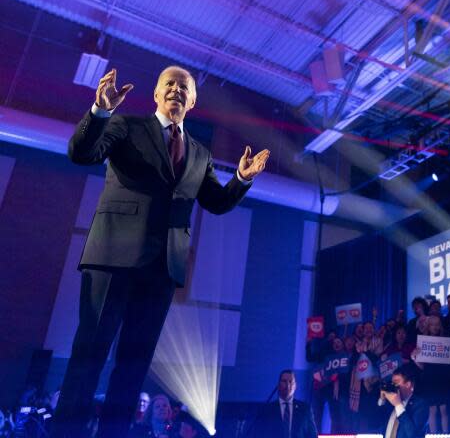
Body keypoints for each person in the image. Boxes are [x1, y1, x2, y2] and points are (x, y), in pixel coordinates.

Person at [52, 67, 270, 438]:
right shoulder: (125, 126)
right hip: (113, 258)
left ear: (193, 101)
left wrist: (242, 179)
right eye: (168, 84)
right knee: (90, 355)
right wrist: (100, 112)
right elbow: (81, 153)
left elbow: (215, 203)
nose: (175, 90)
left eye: (183, 87)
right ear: (155, 94)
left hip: (162, 270)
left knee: (133, 366)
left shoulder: (200, 154)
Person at [412, 315, 450, 434]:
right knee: (432, 409)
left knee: (444, 409)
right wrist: (414, 358)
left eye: (437, 324)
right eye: (432, 324)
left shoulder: (446, 339)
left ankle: (445, 434)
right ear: (428, 326)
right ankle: (433, 435)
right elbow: (421, 366)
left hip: (443, 378)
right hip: (429, 378)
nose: (435, 327)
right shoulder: (423, 341)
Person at [253, 370, 318, 438]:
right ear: (278, 385)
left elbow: (313, 435)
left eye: (291, 382)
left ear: (295, 386)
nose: (288, 385)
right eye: (284, 381)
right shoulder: (268, 409)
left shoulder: (304, 409)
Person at [378, 366, 428, 438]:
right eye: (392, 383)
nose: (393, 386)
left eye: (396, 382)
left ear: (408, 384)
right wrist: (382, 400)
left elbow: (413, 435)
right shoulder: (390, 403)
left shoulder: (421, 404)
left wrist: (398, 405)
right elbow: (374, 423)